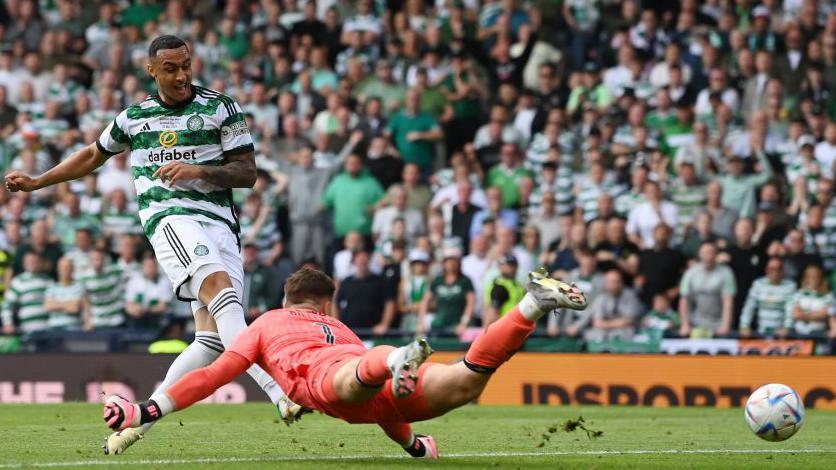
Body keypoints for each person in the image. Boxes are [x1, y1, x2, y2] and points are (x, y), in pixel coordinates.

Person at [3, 35, 297, 454]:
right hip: (171, 220)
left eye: (186, 66)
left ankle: (138, 422)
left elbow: (247, 172)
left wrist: (199, 170)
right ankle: (279, 392)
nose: (181, 76)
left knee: (211, 341)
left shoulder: (220, 107)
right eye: (172, 68)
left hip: (221, 225)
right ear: (152, 70)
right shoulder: (135, 118)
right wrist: (38, 182)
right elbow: (92, 155)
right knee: (220, 292)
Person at [103, 267, 588, 458]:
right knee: (464, 381)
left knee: (353, 379)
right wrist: (414, 445)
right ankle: (533, 306)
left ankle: (396, 357)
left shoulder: (266, 323)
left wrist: (148, 410)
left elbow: (211, 376)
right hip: (371, 373)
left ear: (288, 297)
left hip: (330, 379)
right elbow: (386, 411)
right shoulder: (343, 328)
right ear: (325, 305)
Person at [678, 241, 737, 338]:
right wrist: (685, 324)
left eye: (711, 252)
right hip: (696, 323)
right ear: (699, 254)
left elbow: (728, 301)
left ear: (716, 254)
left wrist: (725, 326)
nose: (708, 256)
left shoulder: (726, 273)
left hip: (718, 325)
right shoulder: (690, 273)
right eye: (705, 253)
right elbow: (684, 300)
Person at [334, 248, 395, 335]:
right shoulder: (346, 282)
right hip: (349, 333)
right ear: (354, 261)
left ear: (369, 260)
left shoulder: (380, 281)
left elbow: (389, 303)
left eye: (364, 259)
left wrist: (384, 324)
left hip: (373, 333)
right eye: (359, 259)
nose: (362, 262)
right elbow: (335, 303)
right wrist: (337, 325)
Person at [419, 247, 475, 336]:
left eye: (454, 261)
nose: (451, 264)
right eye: (448, 261)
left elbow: (471, 303)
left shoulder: (465, 281)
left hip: (458, 326)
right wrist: (422, 322)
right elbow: (425, 301)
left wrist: (464, 323)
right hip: (440, 325)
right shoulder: (438, 280)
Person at [739, 257, 796, 338]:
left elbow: (790, 309)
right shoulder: (758, 284)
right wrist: (744, 326)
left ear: (783, 271)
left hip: (781, 334)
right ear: (766, 270)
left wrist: (787, 327)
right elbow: (749, 307)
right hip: (760, 332)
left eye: (778, 269)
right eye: (771, 269)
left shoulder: (790, 286)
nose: (775, 272)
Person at [1, 252, 51, 335]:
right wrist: (8, 324)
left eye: (35, 261)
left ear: (40, 263)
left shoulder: (48, 281)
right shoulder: (19, 281)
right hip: (27, 330)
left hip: (48, 329)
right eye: (29, 262)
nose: (32, 264)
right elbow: (7, 305)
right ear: (24, 264)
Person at [124, 255, 173, 330]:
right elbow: (128, 305)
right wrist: (135, 310)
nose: (150, 269)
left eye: (152, 266)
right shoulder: (134, 280)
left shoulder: (164, 281)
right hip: (137, 317)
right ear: (142, 267)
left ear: (157, 268)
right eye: (147, 266)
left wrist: (146, 310)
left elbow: (163, 306)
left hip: (157, 317)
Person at [786, 264, 835, 337]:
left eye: (816, 276)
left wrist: (803, 315)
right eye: (809, 276)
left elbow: (826, 314)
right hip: (799, 335)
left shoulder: (828, 296)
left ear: (821, 277)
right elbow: (795, 314)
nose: (813, 278)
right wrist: (816, 315)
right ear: (805, 277)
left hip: (819, 335)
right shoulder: (798, 294)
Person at [44, 256, 86, 330]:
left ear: (72, 269)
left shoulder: (79, 286)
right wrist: (68, 304)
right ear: (57, 269)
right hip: (54, 328)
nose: (64, 270)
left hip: (73, 328)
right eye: (62, 268)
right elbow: (48, 306)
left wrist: (57, 304)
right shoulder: (51, 287)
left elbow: (74, 308)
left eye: (67, 267)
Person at [484, 254, 525, 327]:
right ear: (501, 267)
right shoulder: (499, 287)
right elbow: (493, 315)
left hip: (517, 328)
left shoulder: (518, 285)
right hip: (505, 329)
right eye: (509, 265)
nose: (512, 268)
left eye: (514, 265)